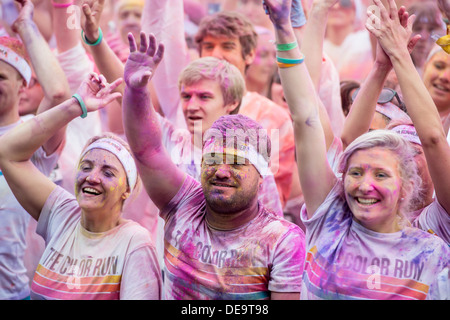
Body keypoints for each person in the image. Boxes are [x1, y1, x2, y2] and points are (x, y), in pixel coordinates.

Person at [264, 0, 449, 299]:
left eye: (382, 173)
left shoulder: (434, 242)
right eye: (358, 171)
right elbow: (310, 118)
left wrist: (399, 55)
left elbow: (433, 140)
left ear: (408, 182)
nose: (366, 185)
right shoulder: (333, 215)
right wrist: (286, 29)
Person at [122, 31, 305, 300]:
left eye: (236, 163)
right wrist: (136, 91)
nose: (221, 171)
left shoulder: (281, 239)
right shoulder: (183, 203)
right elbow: (146, 149)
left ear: (259, 176)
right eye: (212, 161)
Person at [0, 73, 162, 300]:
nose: (92, 178)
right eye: (86, 167)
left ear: (127, 189)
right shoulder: (62, 213)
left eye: (107, 172)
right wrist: (77, 105)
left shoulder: (134, 242)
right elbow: (7, 152)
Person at [0, 0, 72, 300]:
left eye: (1, 77)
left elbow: (58, 93)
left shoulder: (32, 134)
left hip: (18, 293)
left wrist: (26, 26)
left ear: (22, 86)